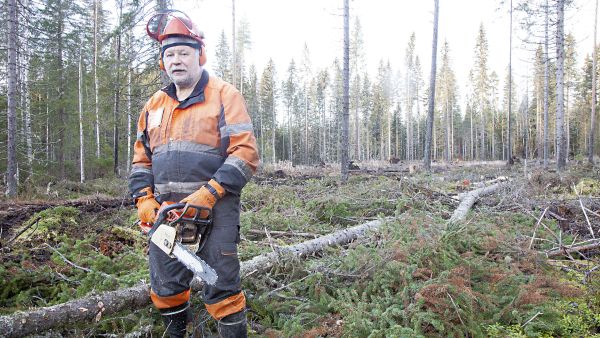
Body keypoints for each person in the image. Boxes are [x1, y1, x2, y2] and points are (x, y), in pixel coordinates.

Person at [128, 10, 259, 337]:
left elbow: (245, 153)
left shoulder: (224, 95)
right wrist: (143, 198)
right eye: (169, 54)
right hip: (167, 211)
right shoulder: (154, 105)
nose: (176, 60)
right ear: (162, 62)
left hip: (215, 207)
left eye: (184, 53)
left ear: (199, 55)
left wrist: (209, 192)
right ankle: (177, 332)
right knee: (166, 285)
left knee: (223, 286)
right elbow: (141, 158)